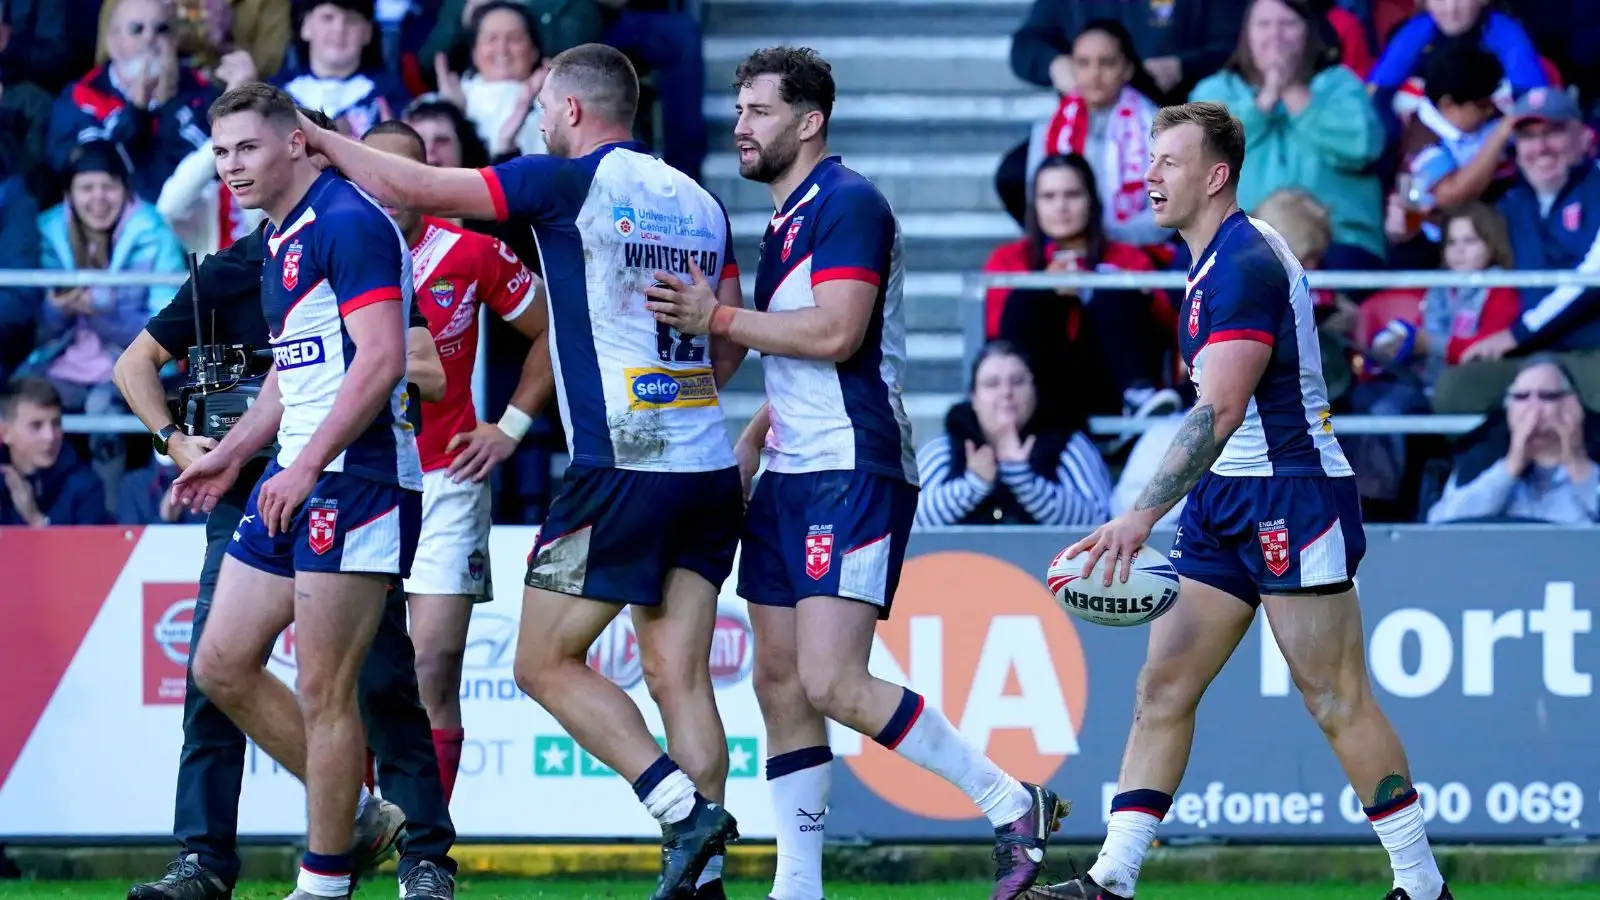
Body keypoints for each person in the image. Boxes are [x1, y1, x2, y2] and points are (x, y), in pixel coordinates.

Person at [294, 43, 751, 899]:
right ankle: (704, 881)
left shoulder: (565, 179)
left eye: (543, 104)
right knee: (680, 677)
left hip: (618, 464)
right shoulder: (697, 197)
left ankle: (682, 811)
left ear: (573, 109)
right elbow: (722, 338)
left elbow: (419, 189)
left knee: (541, 663)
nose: (539, 118)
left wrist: (322, 144)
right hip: (705, 459)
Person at [643, 46, 1069, 900]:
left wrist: (717, 315)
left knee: (832, 679)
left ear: (810, 122)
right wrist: (759, 433)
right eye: (738, 110)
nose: (740, 126)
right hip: (794, 468)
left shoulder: (848, 202)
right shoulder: (792, 213)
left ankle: (1009, 799)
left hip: (853, 464)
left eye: (758, 110)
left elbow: (837, 335)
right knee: (776, 679)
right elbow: (806, 359)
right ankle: (798, 885)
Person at [1029, 102, 1451, 900]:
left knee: (1333, 696)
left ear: (1215, 175)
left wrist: (1140, 513)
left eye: (1168, 162)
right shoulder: (1209, 260)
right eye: (1149, 160)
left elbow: (1220, 409)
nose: (1148, 175)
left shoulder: (1245, 264)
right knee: (1163, 687)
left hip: (1290, 496)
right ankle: (1113, 879)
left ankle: (1422, 885)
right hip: (1227, 496)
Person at [112, 111, 461, 900]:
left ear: (296, 141)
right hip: (294, 476)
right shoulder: (282, 236)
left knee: (333, 689)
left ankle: (324, 882)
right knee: (220, 663)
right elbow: (292, 376)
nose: (230, 167)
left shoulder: (350, 219)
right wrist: (232, 454)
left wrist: (304, 465)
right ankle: (365, 818)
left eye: (246, 148)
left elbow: (381, 363)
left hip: (356, 478)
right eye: (219, 152)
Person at [360, 118, 552, 803]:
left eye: (397, 177)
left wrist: (511, 426)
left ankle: (424, 848)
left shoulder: (471, 252)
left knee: (433, 664)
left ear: (425, 183)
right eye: (368, 176)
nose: (382, 191)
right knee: (362, 672)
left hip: (448, 478)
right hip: (360, 481)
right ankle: (349, 838)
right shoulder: (331, 253)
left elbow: (552, 332)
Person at [0, 376, 109, 526]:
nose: (50, 437)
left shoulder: (86, 486)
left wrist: (35, 519)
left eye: (56, 424)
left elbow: (89, 549)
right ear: (5, 433)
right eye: (36, 426)